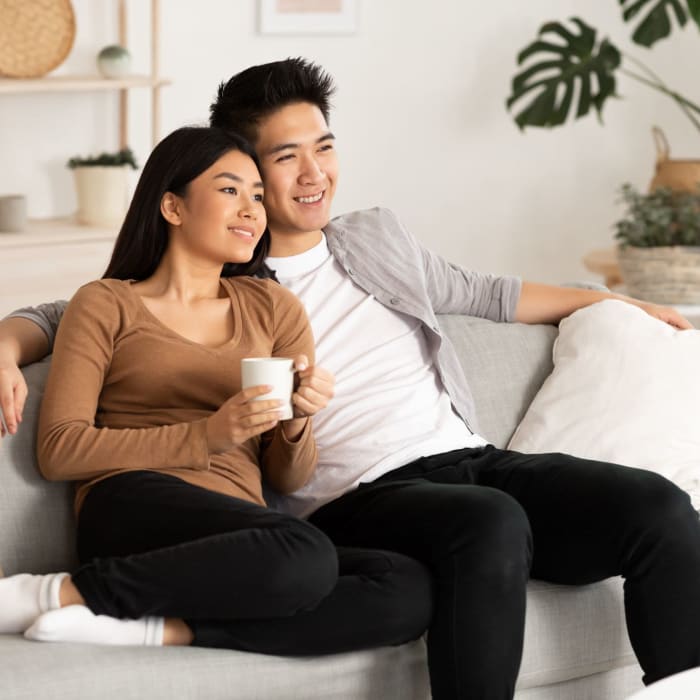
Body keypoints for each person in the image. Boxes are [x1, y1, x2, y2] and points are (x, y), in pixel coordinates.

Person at [2, 57, 700, 698]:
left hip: (471, 460)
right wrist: (7, 342)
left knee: (660, 511)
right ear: (241, 169)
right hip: (359, 500)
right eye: (284, 157)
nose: (314, 173)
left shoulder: (373, 239)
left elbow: (490, 292)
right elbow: (82, 310)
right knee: (489, 524)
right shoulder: (229, 275)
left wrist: (617, 302)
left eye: (324, 147)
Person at [0, 125, 432, 655]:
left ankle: (155, 628)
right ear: (172, 207)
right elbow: (59, 449)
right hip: (132, 504)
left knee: (406, 585)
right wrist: (207, 435)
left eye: (257, 195)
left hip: (243, 530)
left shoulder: (274, 307)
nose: (252, 209)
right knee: (303, 552)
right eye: (230, 190)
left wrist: (297, 420)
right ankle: (50, 592)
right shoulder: (106, 302)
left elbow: (286, 476)